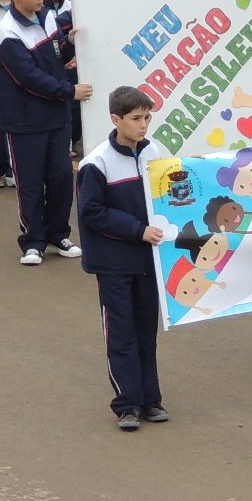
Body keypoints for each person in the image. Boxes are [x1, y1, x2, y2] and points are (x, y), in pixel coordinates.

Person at [78, 87, 174, 431]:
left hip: (148, 262)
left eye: (147, 117)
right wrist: (138, 230)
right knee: (121, 332)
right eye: (136, 119)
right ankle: (127, 404)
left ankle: (151, 400)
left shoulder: (156, 152)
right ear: (116, 119)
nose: (144, 125)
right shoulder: (97, 163)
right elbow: (91, 212)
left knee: (146, 330)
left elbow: (169, 195)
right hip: (113, 263)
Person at [0, 0, 88, 267]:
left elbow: (58, 52)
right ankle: (32, 241)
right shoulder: (6, 35)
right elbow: (29, 78)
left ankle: (58, 233)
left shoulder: (47, 17)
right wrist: (68, 91)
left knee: (61, 178)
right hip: (25, 122)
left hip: (55, 117)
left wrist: (70, 44)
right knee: (31, 183)